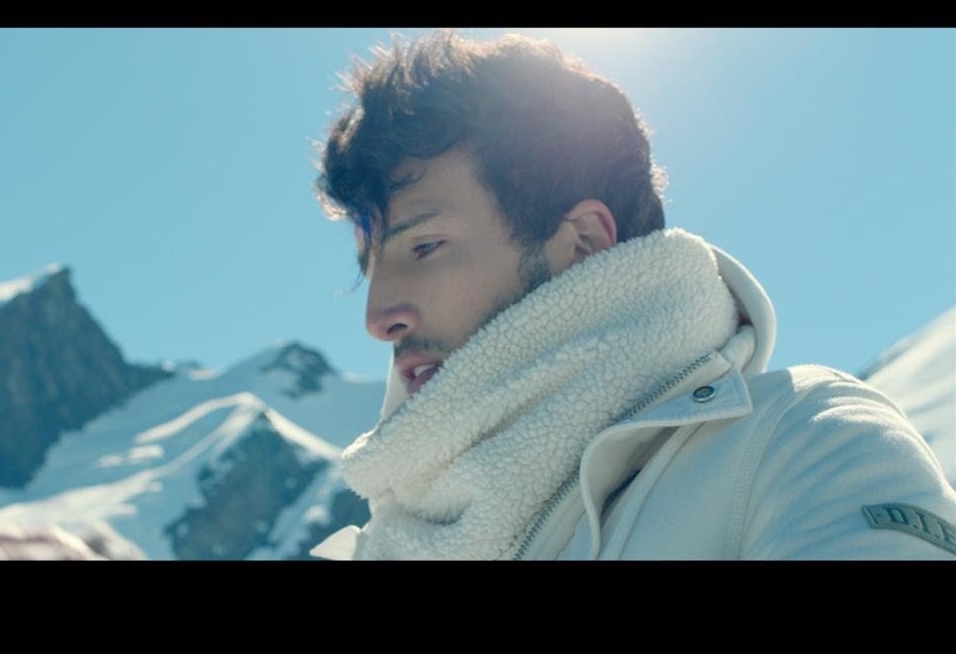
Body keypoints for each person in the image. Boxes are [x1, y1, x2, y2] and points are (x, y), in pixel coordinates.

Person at [306, 29, 956, 560]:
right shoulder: (386, 542)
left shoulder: (802, 443)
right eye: (370, 268)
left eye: (424, 247)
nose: (377, 317)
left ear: (586, 242)